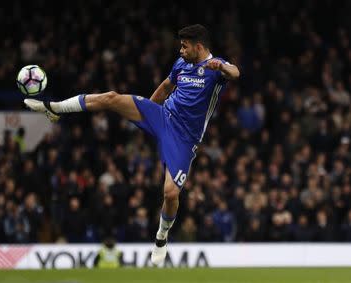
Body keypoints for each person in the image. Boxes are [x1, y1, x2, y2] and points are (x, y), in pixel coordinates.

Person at [24, 24, 240, 265]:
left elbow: (235, 73)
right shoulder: (181, 65)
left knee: (170, 193)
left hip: (184, 138)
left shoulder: (215, 68)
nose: (180, 50)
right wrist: (146, 113)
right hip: (162, 117)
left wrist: (221, 66)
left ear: (198, 47)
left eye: (184, 46)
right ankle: (54, 108)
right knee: (112, 98)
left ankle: (161, 236)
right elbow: (166, 87)